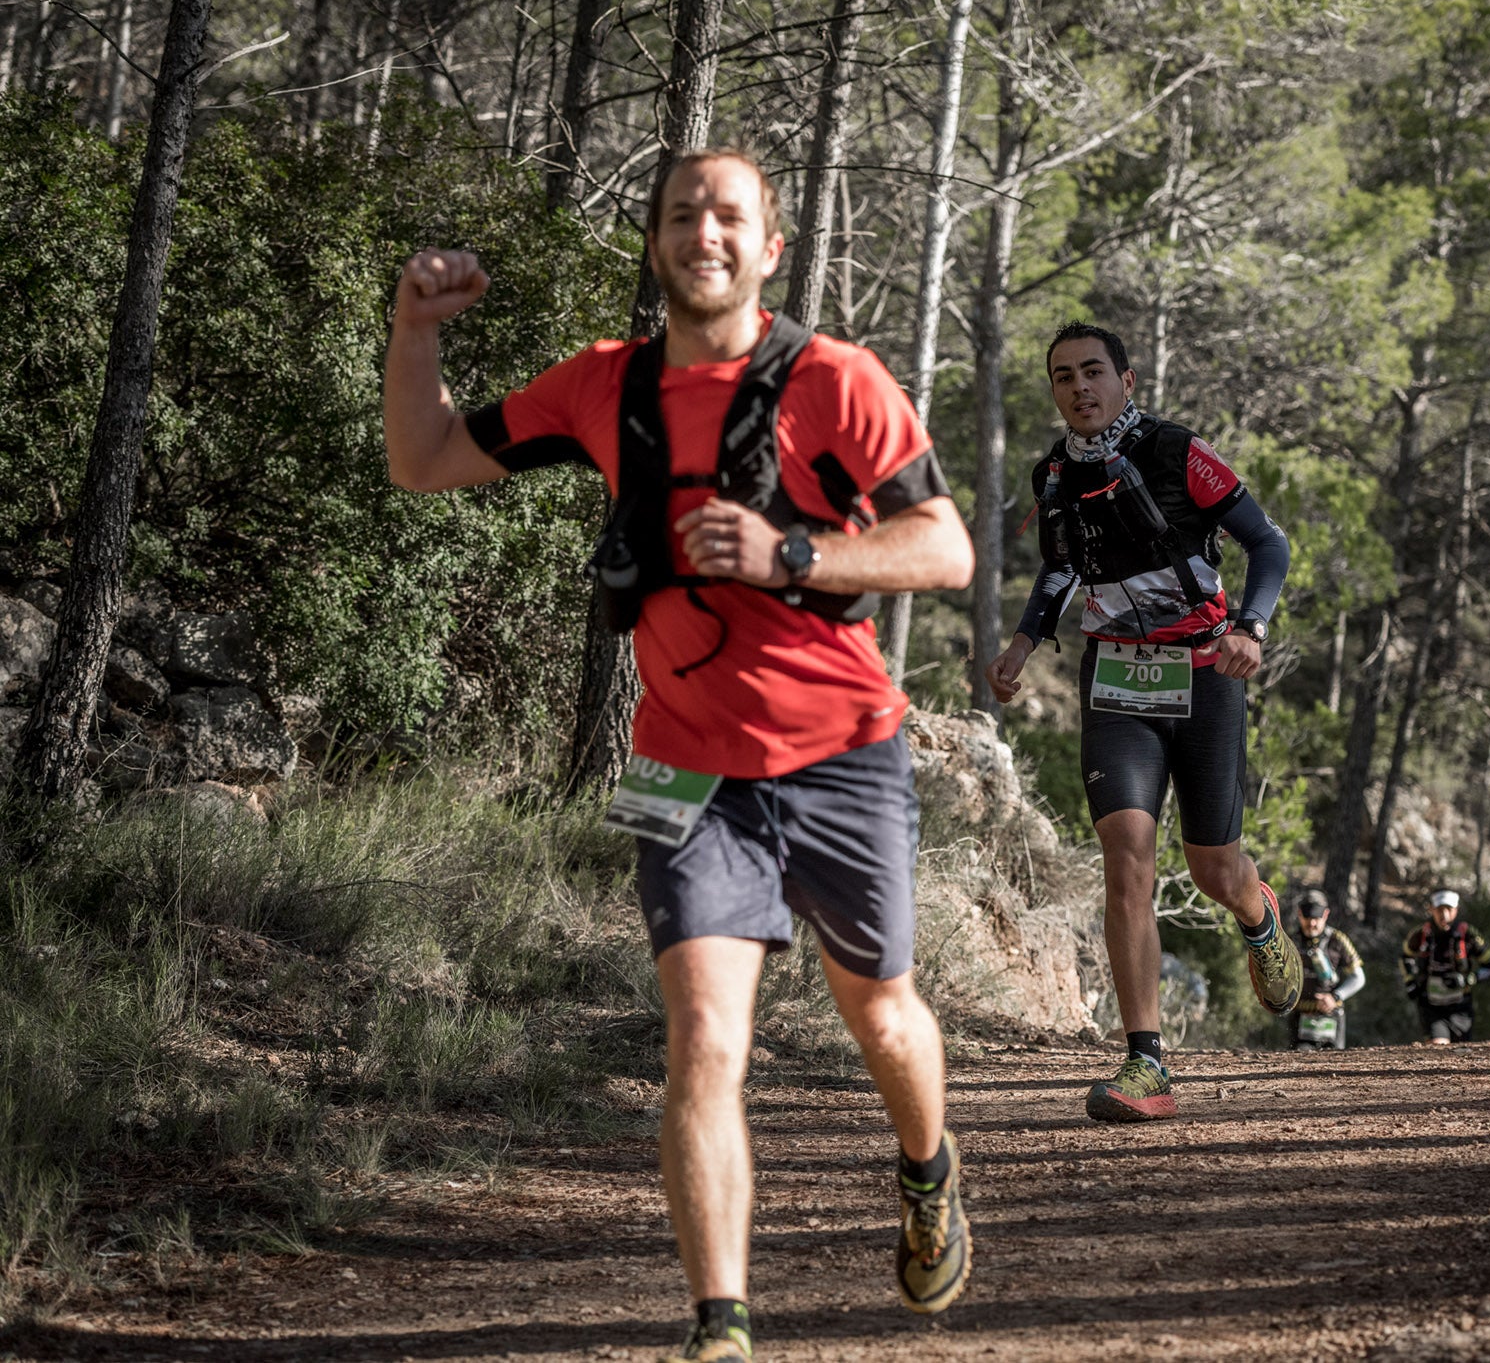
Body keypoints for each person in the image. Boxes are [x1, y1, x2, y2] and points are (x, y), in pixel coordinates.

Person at [383, 149, 976, 1362]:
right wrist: (414, 331)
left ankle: (926, 1172)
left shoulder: (837, 381)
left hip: (843, 757)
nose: (702, 232)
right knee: (705, 1037)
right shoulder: (604, 385)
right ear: (654, 242)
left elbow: (944, 550)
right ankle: (723, 1328)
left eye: (729, 215)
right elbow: (424, 460)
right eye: (679, 214)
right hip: (685, 770)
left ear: (767, 248)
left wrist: (792, 557)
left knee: (881, 1014)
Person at [984, 321, 1299, 1120]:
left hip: (1205, 674)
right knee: (1127, 855)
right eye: (1063, 377)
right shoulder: (1052, 474)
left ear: (1128, 379)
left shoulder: (1176, 451)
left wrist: (1251, 628)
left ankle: (1258, 917)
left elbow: (1269, 544)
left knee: (1213, 869)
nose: (1080, 387)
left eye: (1094, 372)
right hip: (1117, 679)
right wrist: (1022, 644)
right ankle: (1145, 1062)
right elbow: (1060, 566)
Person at [1400, 889, 1490, 1044]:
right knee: (1438, 1047)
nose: (1444, 915)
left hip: (1460, 1006)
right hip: (1431, 1005)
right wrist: (1410, 981)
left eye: (1448, 909)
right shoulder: (1421, 934)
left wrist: (1469, 979)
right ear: (1431, 909)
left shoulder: (1469, 934)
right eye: (1439, 910)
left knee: (1460, 1053)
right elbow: (1405, 957)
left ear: (1456, 910)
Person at [1292, 890, 1365, 1050]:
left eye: (1316, 918)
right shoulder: (1290, 942)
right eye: (1307, 918)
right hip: (1299, 1017)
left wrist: (1335, 997)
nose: (1312, 924)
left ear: (1326, 915)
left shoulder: (1337, 940)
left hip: (1332, 1017)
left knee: (1332, 1068)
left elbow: (1358, 977)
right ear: (1299, 914)